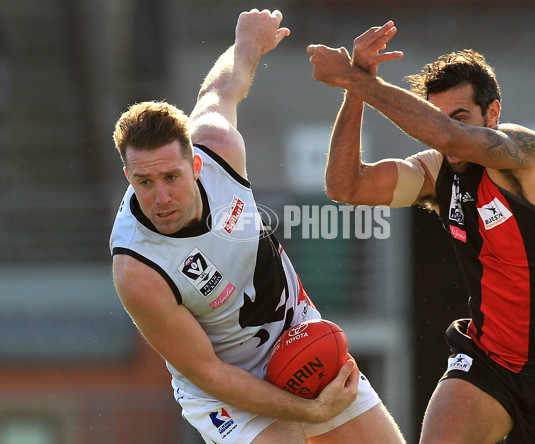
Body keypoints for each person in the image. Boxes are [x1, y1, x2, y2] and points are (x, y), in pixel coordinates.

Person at [109, 9, 405, 444]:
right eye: (144, 182)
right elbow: (210, 372)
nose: (160, 196)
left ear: (195, 164)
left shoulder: (219, 146)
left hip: (300, 338)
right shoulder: (137, 269)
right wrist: (310, 410)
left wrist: (247, 45)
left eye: (171, 177)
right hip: (227, 387)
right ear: (128, 177)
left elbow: (221, 88)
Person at [307, 21, 535, 444]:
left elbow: (453, 139)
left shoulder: (526, 152)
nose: (441, 132)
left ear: (492, 113)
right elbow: (344, 186)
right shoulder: (437, 169)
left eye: (460, 116)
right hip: (488, 363)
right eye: (436, 115)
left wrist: (349, 75)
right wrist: (357, 89)